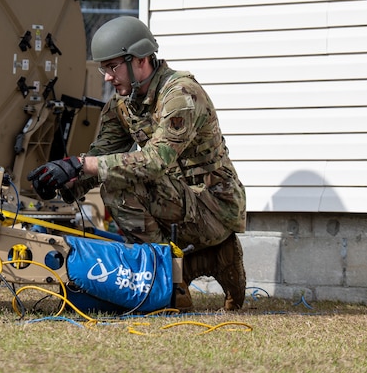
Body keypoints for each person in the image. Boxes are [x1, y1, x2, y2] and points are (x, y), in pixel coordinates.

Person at [27, 16, 248, 310]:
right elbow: (102, 154)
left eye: (112, 67)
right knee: (113, 179)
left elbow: (154, 162)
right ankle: (212, 260)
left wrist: (80, 164)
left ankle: (166, 285)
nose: (106, 76)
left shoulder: (181, 95)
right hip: (181, 203)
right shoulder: (123, 105)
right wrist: (65, 184)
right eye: (104, 68)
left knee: (118, 188)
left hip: (214, 205)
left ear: (140, 59)